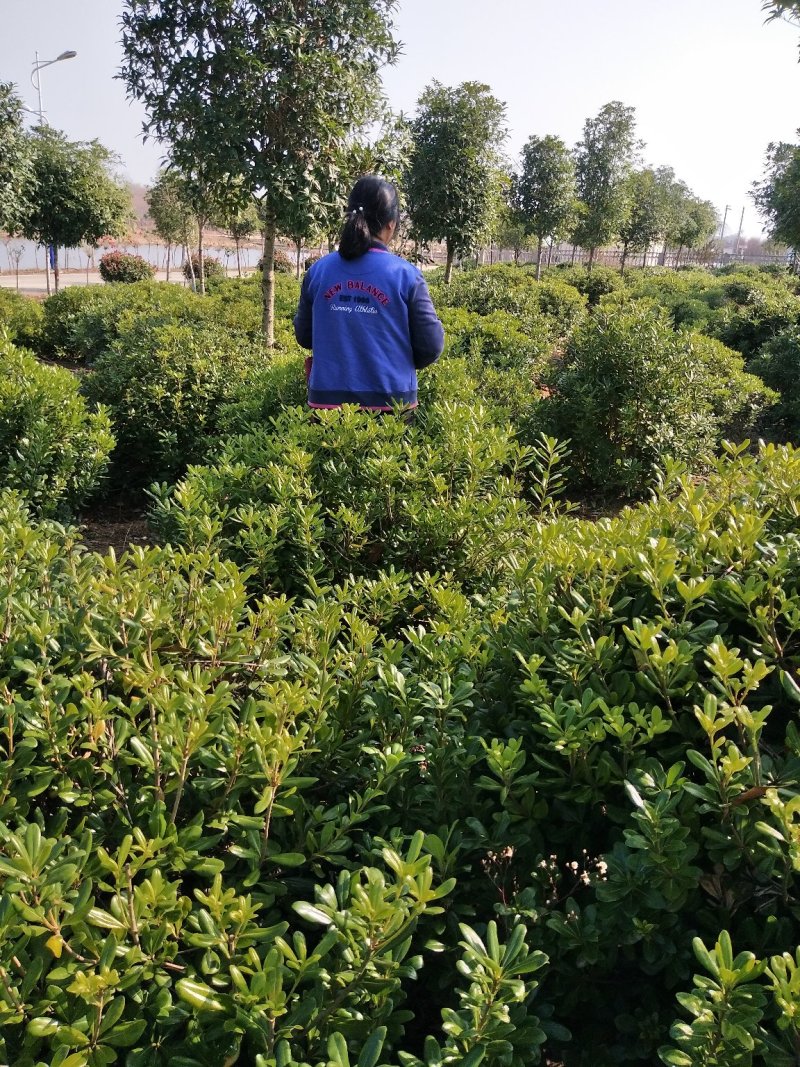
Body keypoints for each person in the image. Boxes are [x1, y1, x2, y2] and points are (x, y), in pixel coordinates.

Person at [293, 175, 445, 414]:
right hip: (392, 405)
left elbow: (304, 336)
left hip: (327, 406)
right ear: (391, 224)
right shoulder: (406, 275)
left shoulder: (318, 272)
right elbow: (431, 346)